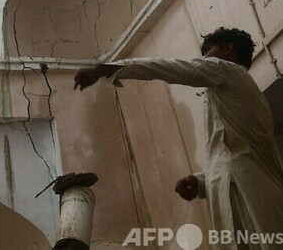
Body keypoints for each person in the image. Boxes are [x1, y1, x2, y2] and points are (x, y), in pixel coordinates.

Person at [74, 27, 283, 248]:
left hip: (245, 192)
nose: (204, 59)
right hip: (255, 192)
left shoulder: (226, 69)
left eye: (207, 51)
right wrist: (200, 182)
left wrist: (107, 68)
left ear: (228, 49)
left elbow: (172, 68)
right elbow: (233, 155)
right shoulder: (244, 95)